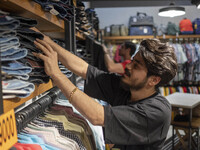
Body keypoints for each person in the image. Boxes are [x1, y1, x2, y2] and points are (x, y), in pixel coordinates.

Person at [33, 32, 177, 149]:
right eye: (133, 60)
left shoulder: (156, 111)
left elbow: (97, 116)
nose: (128, 66)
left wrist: (57, 74)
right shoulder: (126, 88)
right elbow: (85, 69)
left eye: (137, 66)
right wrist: (45, 40)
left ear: (154, 80)